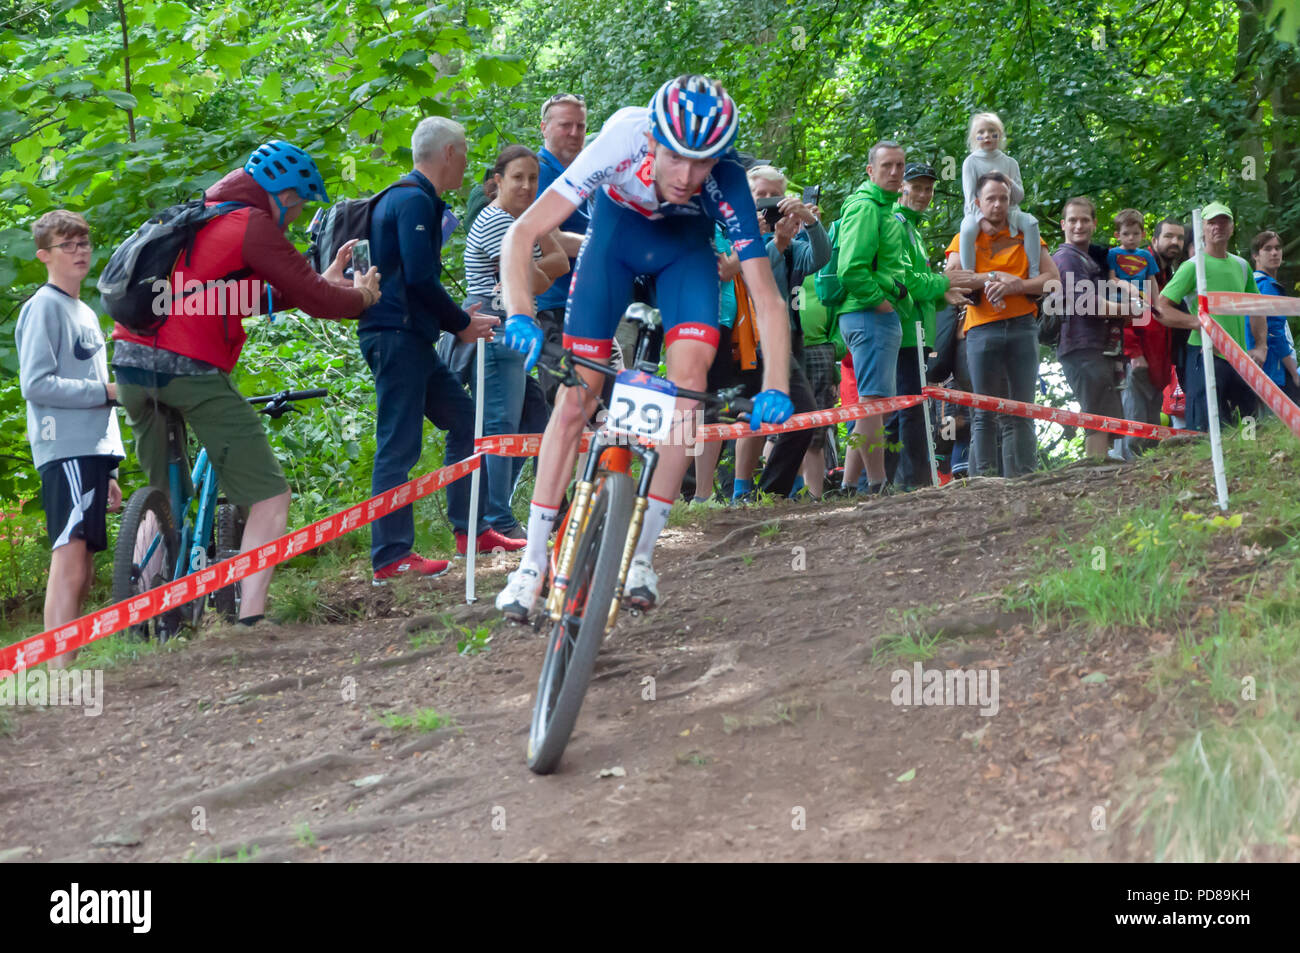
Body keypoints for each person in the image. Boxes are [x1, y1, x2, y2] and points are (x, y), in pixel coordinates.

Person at [494, 74, 795, 619]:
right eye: (676, 158)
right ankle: (532, 563)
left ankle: (643, 556)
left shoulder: (724, 180)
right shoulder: (620, 139)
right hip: (614, 241)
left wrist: (775, 384)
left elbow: (768, 300)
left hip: (684, 255)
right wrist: (519, 311)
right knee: (577, 397)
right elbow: (522, 233)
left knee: (690, 386)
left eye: (702, 163)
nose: (686, 177)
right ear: (652, 140)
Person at [113, 142, 380, 624]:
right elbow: (318, 300)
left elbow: (242, 298)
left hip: (131, 364)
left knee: (163, 497)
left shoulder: (203, 220)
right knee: (270, 496)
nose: (296, 218)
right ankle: (252, 618)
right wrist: (359, 297)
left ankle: (150, 611)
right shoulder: (251, 224)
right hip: (188, 370)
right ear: (280, 195)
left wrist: (322, 283)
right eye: (297, 206)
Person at [359, 118, 500, 581]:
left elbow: (415, 278)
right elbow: (419, 279)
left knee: (464, 419)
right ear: (447, 154)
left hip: (412, 336)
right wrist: (461, 324)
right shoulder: (414, 200)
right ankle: (391, 556)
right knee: (397, 447)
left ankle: (471, 530)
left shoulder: (410, 198)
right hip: (396, 336)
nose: (466, 162)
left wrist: (453, 322)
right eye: (464, 152)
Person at [17, 211, 125, 667]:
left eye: (84, 243)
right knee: (70, 556)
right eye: (68, 245)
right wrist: (104, 393)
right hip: (64, 448)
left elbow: (101, 390)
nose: (80, 252)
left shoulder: (84, 310)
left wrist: (113, 466)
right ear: (45, 256)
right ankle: (57, 665)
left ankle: (68, 660)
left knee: (84, 562)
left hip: (93, 451)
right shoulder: (43, 306)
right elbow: (36, 384)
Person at [462, 144, 568, 545]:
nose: (527, 186)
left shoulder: (516, 223)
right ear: (497, 181)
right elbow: (541, 277)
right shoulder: (496, 222)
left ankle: (500, 513)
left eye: (533, 178)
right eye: (518, 177)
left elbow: (554, 267)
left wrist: (537, 264)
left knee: (533, 426)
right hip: (497, 333)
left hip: (519, 334)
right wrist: (542, 262)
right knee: (500, 426)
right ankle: (497, 520)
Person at [943, 172, 1059, 477]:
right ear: (978, 202)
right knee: (983, 411)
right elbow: (950, 278)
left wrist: (1016, 286)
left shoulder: (1026, 234)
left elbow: (1053, 281)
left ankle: (1023, 479)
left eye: (1003, 199)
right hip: (981, 329)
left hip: (1022, 325)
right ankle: (983, 483)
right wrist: (993, 278)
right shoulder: (966, 236)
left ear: (1011, 202)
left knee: (1020, 411)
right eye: (991, 199)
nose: (997, 205)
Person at [728, 165, 827, 500]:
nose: (767, 206)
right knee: (752, 414)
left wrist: (809, 222)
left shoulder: (791, 243)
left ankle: (776, 489)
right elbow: (752, 276)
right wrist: (776, 245)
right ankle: (742, 489)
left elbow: (822, 257)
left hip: (788, 340)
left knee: (796, 416)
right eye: (761, 197)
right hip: (750, 341)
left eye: (775, 197)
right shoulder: (737, 233)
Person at [888, 162, 977, 488]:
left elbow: (920, 287)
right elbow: (903, 279)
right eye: (917, 187)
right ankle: (906, 483)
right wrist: (942, 283)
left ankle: (904, 482)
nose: (924, 194)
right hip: (899, 329)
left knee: (910, 408)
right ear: (901, 188)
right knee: (904, 409)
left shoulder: (913, 230)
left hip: (917, 330)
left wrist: (944, 295)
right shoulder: (895, 225)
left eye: (929, 188)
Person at [833, 140, 911, 494]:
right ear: (870, 170)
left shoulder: (881, 207)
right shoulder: (867, 208)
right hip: (867, 315)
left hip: (864, 316)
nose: (895, 172)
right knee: (874, 403)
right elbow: (850, 269)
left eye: (899, 166)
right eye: (887, 166)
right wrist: (880, 301)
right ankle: (878, 483)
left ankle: (850, 484)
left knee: (871, 402)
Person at [1153, 202, 1266, 431]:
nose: (1218, 227)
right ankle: (1207, 467)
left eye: (1223, 222)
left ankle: (1246, 463)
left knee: (1248, 424)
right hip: (1204, 354)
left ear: (1232, 228)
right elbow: (1160, 308)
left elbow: (1257, 307)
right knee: (1206, 428)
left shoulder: (1242, 266)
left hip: (1240, 356)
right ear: (1203, 228)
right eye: (1212, 223)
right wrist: (1197, 323)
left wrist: (1261, 346)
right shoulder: (1192, 266)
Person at [1051, 197, 1143, 459]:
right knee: (1096, 414)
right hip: (1080, 345)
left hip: (1100, 347)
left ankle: (1101, 468)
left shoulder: (1091, 259)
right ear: (1063, 225)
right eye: (1072, 220)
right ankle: (1095, 470)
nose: (1078, 225)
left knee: (1104, 412)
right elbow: (1087, 303)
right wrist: (1129, 309)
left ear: (1094, 223)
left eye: (1084, 219)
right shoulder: (1066, 257)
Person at [533, 93, 592, 406]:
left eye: (580, 126)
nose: (574, 133)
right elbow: (551, 237)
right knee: (564, 404)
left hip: (586, 305)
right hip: (555, 306)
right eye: (565, 125)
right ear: (544, 127)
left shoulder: (579, 175)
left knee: (591, 405)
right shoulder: (540, 172)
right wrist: (606, 249)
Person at [1123, 217, 1183, 455]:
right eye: (1168, 236)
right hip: (1138, 361)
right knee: (1136, 432)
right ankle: (1124, 483)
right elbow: (1126, 310)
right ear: (1155, 239)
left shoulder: (1167, 274)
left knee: (1152, 434)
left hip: (1158, 365)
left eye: (1179, 238)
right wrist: (1134, 353)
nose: (1174, 242)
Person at [958, 113, 1041, 282]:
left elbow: (1018, 197)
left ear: (1000, 135)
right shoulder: (970, 162)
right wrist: (982, 221)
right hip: (977, 212)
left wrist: (1007, 179)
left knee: (1031, 223)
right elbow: (969, 197)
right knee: (966, 230)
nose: (987, 135)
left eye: (992, 131)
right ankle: (970, 278)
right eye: (982, 132)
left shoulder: (1010, 163)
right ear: (975, 137)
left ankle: (1034, 274)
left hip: (1009, 210)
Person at [1246, 230, 1300, 402]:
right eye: (1267, 249)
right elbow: (1275, 333)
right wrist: (1294, 372)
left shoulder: (1250, 285)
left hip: (1255, 369)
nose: (1275, 253)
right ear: (1256, 255)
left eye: (1278, 248)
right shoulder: (1267, 286)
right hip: (1273, 369)